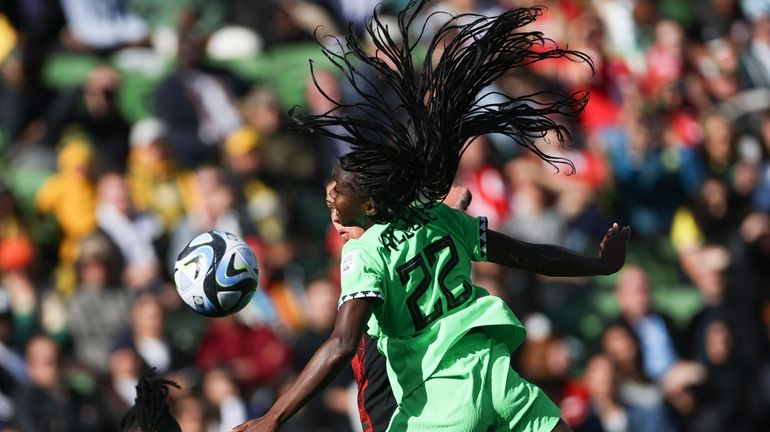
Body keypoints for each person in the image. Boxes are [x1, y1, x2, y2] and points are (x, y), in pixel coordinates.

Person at [234, 2, 628, 431]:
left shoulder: (364, 255)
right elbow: (527, 255)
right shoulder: (438, 219)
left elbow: (343, 343)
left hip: (440, 407)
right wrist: (598, 264)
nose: (331, 198)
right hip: (499, 384)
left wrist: (273, 417)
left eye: (339, 193)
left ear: (369, 206)